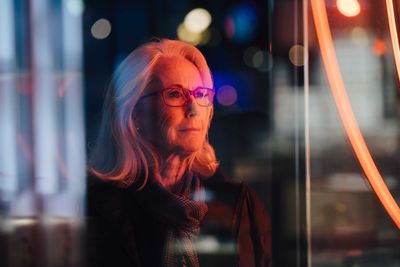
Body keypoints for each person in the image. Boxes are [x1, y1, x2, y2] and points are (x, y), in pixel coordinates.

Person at [86, 38, 271, 267]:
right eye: (174, 94)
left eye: (201, 94)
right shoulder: (96, 210)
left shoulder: (241, 205)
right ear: (132, 113)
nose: (193, 108)